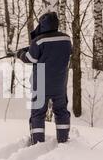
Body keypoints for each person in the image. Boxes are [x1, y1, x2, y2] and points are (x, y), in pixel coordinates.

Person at [15, 12, 72, 145]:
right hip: (59, 82)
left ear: (42, 25)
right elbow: (68, 51)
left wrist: (19, 53)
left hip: (41, 82)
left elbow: (30, 58)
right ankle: (63, 140)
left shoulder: (39, 40)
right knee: (61, 111)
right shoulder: (66, 38)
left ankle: (38, 142)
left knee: (38, 113)